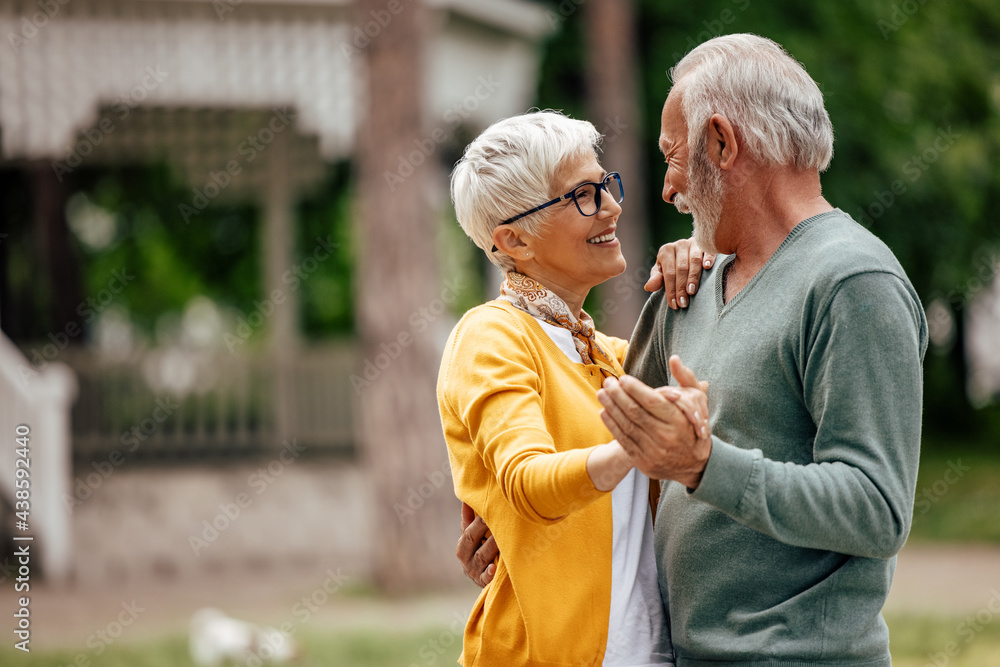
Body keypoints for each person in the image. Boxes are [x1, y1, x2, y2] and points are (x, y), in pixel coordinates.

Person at [463, 34, 929, 666]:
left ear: (720, 142)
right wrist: (504, 516)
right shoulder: (692, 283)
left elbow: (876, 509)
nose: (662, 189)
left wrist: (706, 466)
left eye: (670, 155)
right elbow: (612, 444)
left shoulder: (852, 282)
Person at [439, 110, 712, 666]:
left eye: (605, 184)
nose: (612, 205)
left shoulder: (609, 355)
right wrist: (631, 449)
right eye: (582, 196)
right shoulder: (490, 335)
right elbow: (527, 481)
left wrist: (697, 253)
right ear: (513, 240)